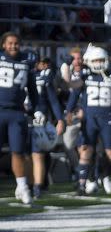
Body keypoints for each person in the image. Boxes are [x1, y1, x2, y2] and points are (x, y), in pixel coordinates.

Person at [65, 45, 111, 195]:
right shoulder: (85, 75)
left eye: (102, 60)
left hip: (106, 119)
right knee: (86, 151)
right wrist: (69, 111)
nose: (99, 63)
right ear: (89, 61)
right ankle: (82, 185)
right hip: (89, 119)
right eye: (96, 60)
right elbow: (74, 92)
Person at [0, 32, 38, 204]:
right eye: (10, 43)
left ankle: (22, 186)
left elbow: (32, 89)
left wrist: (34, 109)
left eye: (16, 43)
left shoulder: (26, 61)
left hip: (16, 113)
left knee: (18, 152)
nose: (13, 46)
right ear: (3, 45)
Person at [31, 57, 66, 198]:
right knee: (25, 155)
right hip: (25, 118)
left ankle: (39, 185)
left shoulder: (45, 78)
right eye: (42, 63)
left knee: (39, 154)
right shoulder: (21, 75)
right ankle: (29, 184)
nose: (44, 66)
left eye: (46, 63)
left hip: (41, 121)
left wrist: (60, 119)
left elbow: (53, 100)